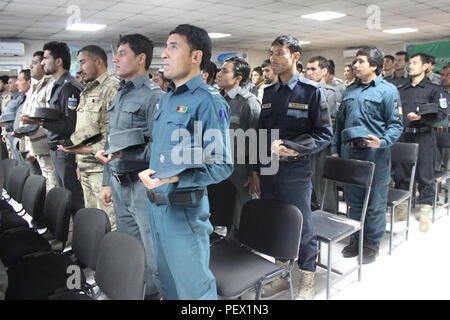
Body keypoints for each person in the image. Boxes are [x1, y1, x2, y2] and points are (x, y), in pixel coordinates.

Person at [138, 24, 233, 300]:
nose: (164, 54)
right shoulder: (167, 99)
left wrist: (176, 177)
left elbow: (222, 164)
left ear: (196, 56)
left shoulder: (208, 101)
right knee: (168, 286)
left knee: (194, 293)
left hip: (183, 214)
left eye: (173, 47)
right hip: (156, 208)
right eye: (165, 47)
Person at [251, 35, 333, 300]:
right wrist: (256, 169)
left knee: (302, 224)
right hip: (269, 168)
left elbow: (324, 135)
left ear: (295, 56)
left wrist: (298, 148)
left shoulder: (311, 91)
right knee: (276, 221)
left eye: (278, 53)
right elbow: (261, 134)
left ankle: (308, 274)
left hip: (296, 170)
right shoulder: (269, 92)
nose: (273, 58)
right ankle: (280, 269)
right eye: (271, 53)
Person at [95, 34, 163, 299]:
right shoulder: (120, 93)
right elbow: (111, 141)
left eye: (122, 53)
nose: (116, 58)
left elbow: (160, 150)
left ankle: (154, 293)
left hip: (141, 187)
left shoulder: (154, 96)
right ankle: (136, 290)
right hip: (118, 183)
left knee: (151, 250)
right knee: (130, 246)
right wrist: (105, 181)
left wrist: (128, 152)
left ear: (141, 58)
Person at [332, 46, 403, 264]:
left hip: (375, 155)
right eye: (355, 61)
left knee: (374, 203)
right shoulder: (350, 90)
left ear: (374, 65)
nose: (355, 65)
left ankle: (371, 243)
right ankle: (356, 239)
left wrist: (382, 141)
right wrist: (335, 150)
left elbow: (396, 124)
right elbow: (339, 124)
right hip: (349, 153)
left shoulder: (388, 90)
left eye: (360, 61)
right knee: (353, 201)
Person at [57, 45, 119, 231]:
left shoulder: (112, 87)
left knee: (108, 222)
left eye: (83, 62)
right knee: (94, 221)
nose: (79, 68)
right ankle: (95, 257)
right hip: (86, 167)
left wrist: (83, 152)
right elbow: (84, 129)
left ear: (98, 62)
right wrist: (78, 161)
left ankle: (111, 259)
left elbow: (111, 133)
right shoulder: (87, 89)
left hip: (101, 169)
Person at [22, 41, 85, 216]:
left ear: (58, 61)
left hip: (66, 148)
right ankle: (69, 235)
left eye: (46, 58)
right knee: (64, 195)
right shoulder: (58, 86)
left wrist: (40, 122)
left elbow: (69, 125)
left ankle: (79, 239)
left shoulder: (68, 87)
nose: (42, 62)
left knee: (73, 198)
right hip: (57, 148)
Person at [394, 53, 446, 232]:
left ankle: (425, 211)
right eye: (410, 63)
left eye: (415, 63)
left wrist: (421, 118)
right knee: (401, 174)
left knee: (425, 175)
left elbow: (442, 113)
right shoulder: (402, 90)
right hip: (404, 137)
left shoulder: (434, 90)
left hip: (424, 136)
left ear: (425, 66)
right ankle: (401, 210)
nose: (410, 66)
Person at [217, 56, 261, 231]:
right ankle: (229, 241)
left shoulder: (248, 103)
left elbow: (257, 140)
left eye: (224, 71)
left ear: (238, 79)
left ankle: (243, 247)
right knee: (224, 208)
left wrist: (254, 172)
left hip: (241, 168)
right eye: (220, 70)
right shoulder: (218, 99)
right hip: (221, 164)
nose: (219, 74)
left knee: (242, 212)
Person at [306, 55, 341, 213]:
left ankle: (329, 216)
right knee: (308, 184)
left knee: (323, 184)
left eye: (313, 69)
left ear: (324, 71)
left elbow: (329, 122)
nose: (309, 72)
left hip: (321, 144)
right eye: (308, 69)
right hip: (305, 143)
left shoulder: (329, 92)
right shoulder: (304, 90)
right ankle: (312, 216)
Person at [20, 51, 58, 192]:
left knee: (53, 187)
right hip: (37, 149)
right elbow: (27, 121)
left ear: (44, 64)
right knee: (45, 186)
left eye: (35, 63)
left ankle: (56, 214)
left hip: (47, 148)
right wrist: (27, 147)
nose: (31, 66)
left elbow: (51, 119)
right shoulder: (35, 88)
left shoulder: (52, 86)